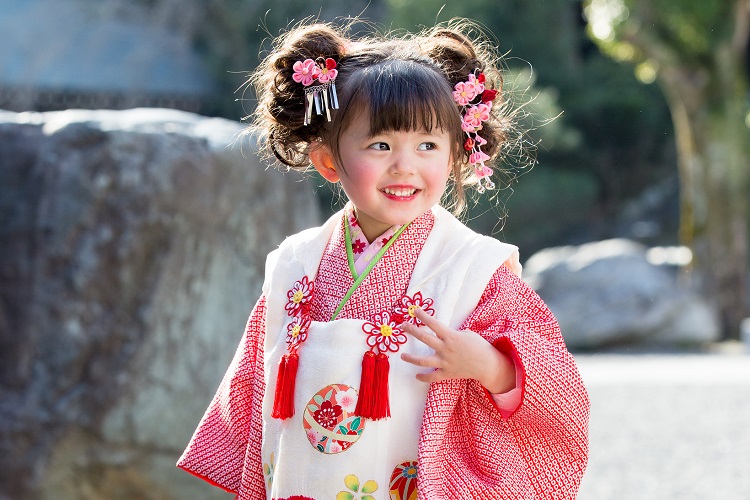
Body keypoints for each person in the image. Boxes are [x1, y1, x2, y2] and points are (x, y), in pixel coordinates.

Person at [178, 19, 589, 500]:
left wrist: (490, 365)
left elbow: (562, 391)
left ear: (457, 153)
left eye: (428, 145)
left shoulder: (474, 268)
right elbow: (253, 385)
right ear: (328, 160)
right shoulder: (295, 262)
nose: (405, 165)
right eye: (380, 144)